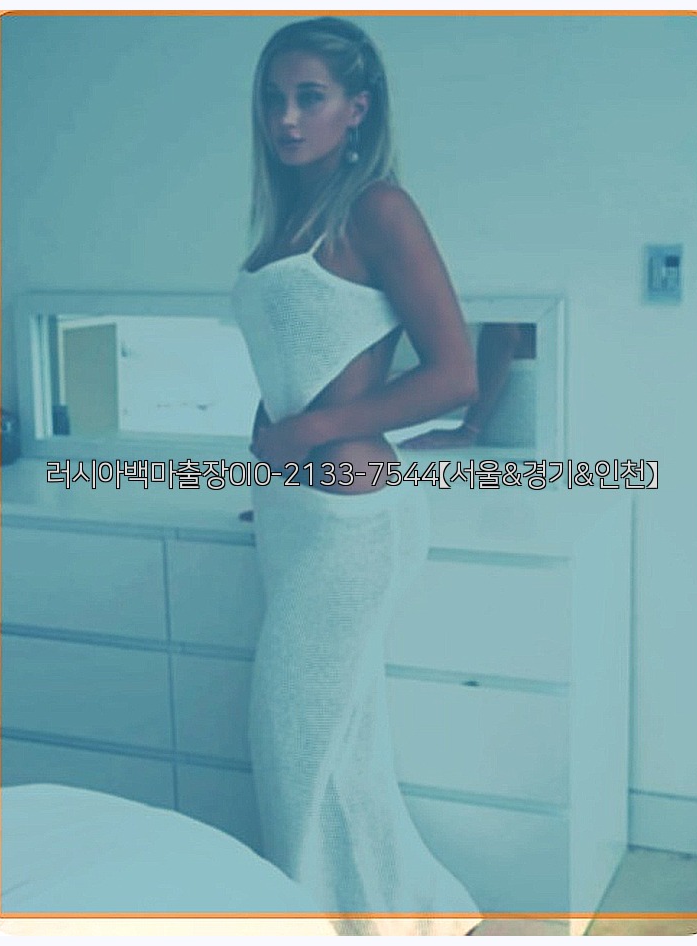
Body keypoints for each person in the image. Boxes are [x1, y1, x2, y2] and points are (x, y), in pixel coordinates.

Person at [231, 17, 482, 935]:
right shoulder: (288, 220)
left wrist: (311, 428)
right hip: (289, 516)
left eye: (310, 97)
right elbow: (300, 357)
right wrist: (273, 433)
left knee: (291, 746)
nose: (287, 118)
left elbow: (455, 375)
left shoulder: (378, 209)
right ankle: (405, 917)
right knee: (340, 752)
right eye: (274, 98)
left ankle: (308, 924)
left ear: (357, 108)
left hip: (352, 526)